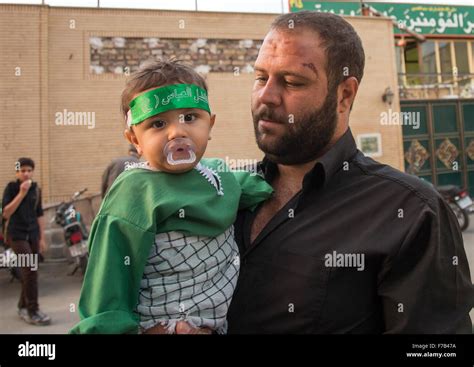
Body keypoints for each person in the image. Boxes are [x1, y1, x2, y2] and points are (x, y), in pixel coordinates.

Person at [221, 11, 474, 333]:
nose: (266, 96)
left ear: (344, 95)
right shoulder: (223, 193)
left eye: (292, 81)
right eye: (260, 77)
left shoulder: (410, 212)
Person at [70, 59, 273, 334]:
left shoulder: (218, 176)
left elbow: (256, 186)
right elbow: (108, 283)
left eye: (190, 118)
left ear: (210, 125)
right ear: (134, 140)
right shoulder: (135, 191)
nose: (177, 132)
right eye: (158, 123)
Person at [1, 157, 51, 326]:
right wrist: (21, 193)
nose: (26, 173)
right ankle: (33, 310)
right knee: (30, 270)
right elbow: (6, 213)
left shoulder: (36, 189)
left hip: (33, 235)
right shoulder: (12, 188)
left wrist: (42, 238)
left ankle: (22, 305)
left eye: (29, 170)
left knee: (29, 271)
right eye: (22, 170)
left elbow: (40, 214)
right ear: (17, 172)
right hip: (17, 235)